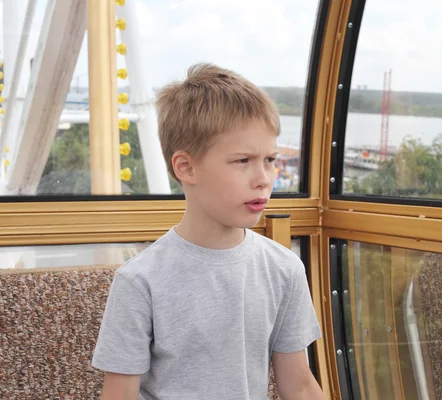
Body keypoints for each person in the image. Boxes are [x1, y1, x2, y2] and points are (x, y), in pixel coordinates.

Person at [91, 63, 324, 400]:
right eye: (243, 160)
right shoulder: (140, 281)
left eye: (270, 160)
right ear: (186, 167)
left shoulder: (284, 269)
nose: (264, 178)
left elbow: (299, 385)